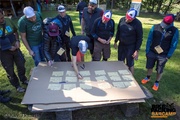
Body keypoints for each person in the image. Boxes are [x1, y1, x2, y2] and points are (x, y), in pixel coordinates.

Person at [141, 14, 179, 91]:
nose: (163, 25)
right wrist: (147, 50)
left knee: (160, 69)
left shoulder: (174, 31)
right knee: (149, 66)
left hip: (163, 55)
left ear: (170, 23)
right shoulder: (155, 27)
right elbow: (149, 39)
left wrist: (168, 56)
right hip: (152, 51)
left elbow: (174, 44)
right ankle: (148, 77)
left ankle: (157, 82)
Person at [0, 9, 28, 93]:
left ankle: (23, 79)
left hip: (15, 47)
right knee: (10, 70)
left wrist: (17, 41)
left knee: (21, 64)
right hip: (4, 52)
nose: (1, 20)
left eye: (2, 17)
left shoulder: (8, 20)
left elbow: (15, 31)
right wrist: (8, 47)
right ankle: (17, 86)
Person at [114, 8, 143, 75]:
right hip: (121, 44)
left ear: (133, 18)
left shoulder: (137, 24)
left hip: (131, 46)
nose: (127, 19)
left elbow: (139, 38)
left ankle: (132, 78)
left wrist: (136, 50)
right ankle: (121, 75)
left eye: (129, 19)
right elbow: (118, 31)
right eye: (127, 17)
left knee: (130, 63)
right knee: (120, 61)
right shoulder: (122, 19)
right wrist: (116, 41)